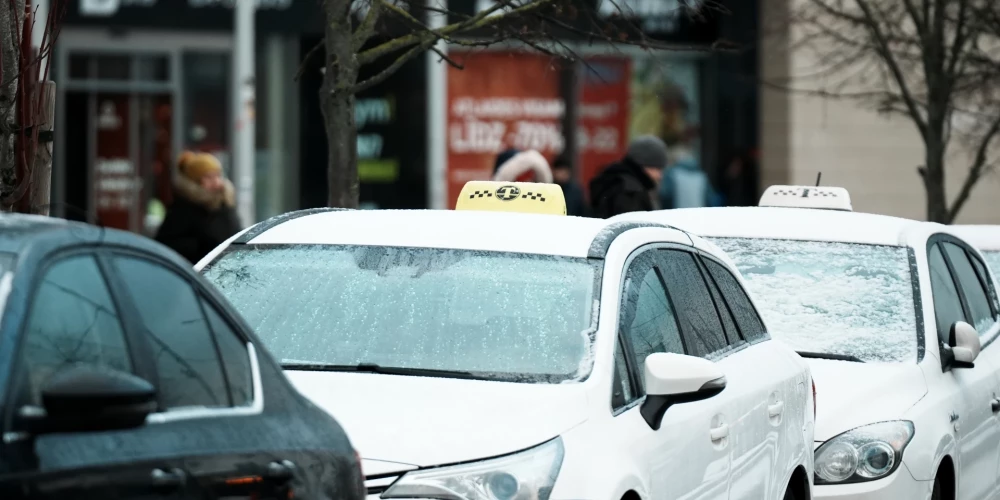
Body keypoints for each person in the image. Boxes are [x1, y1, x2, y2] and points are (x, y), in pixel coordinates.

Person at [156, 151, 241, 265]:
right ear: (195, 181)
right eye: (209, 177)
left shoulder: (225, 202)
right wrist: (202, 246)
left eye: (218, 175)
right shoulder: (184, 208)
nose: (216, 182)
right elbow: (168, 243)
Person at [588, 135, 668, 218]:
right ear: (644, 164)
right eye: (657, 169)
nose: (660, 176)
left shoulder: (618, 180)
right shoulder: (630, 190)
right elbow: (633, 227)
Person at [659, 141, 720, 209]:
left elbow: (665, 195)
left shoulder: (672, 174)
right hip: (698, 216)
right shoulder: (701, 176)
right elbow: (710, 199)